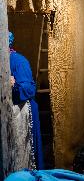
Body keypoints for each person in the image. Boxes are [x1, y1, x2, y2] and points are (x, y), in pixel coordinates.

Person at [8, 31, 44, 171]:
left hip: (22, 114)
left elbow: (28, 89)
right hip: (10, 115)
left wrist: (12, 86)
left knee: (24, 155)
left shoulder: (18, 61)